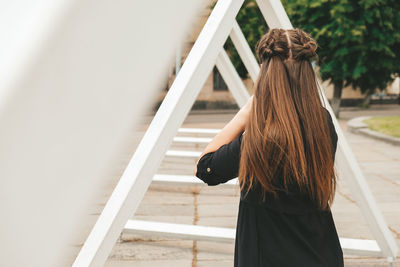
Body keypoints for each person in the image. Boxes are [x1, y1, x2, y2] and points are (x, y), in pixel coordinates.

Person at [194, 28, 344, 267]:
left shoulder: (261, 135)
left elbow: (206, 168)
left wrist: (245, 113)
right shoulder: (323, 123)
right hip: (321, 255)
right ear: (308, 74)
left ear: (266, 74)